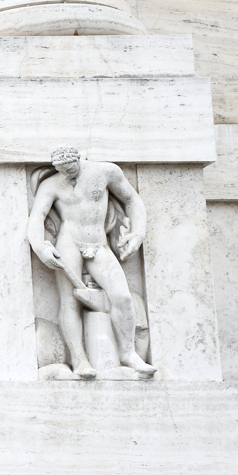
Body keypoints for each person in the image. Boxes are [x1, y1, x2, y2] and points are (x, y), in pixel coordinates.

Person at [27, 146, 156, 379]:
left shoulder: (106, 172)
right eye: (62, 171)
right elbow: (37, 217)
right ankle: (79, 360)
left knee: (122, 297)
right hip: (69, 241)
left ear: (78, 160)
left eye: (70, 169)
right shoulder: (52, 184)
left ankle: (128, 353)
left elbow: (132, 200)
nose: (67, 175)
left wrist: (137, 233)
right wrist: (40, 247)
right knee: (69, 301)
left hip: (99, 243)